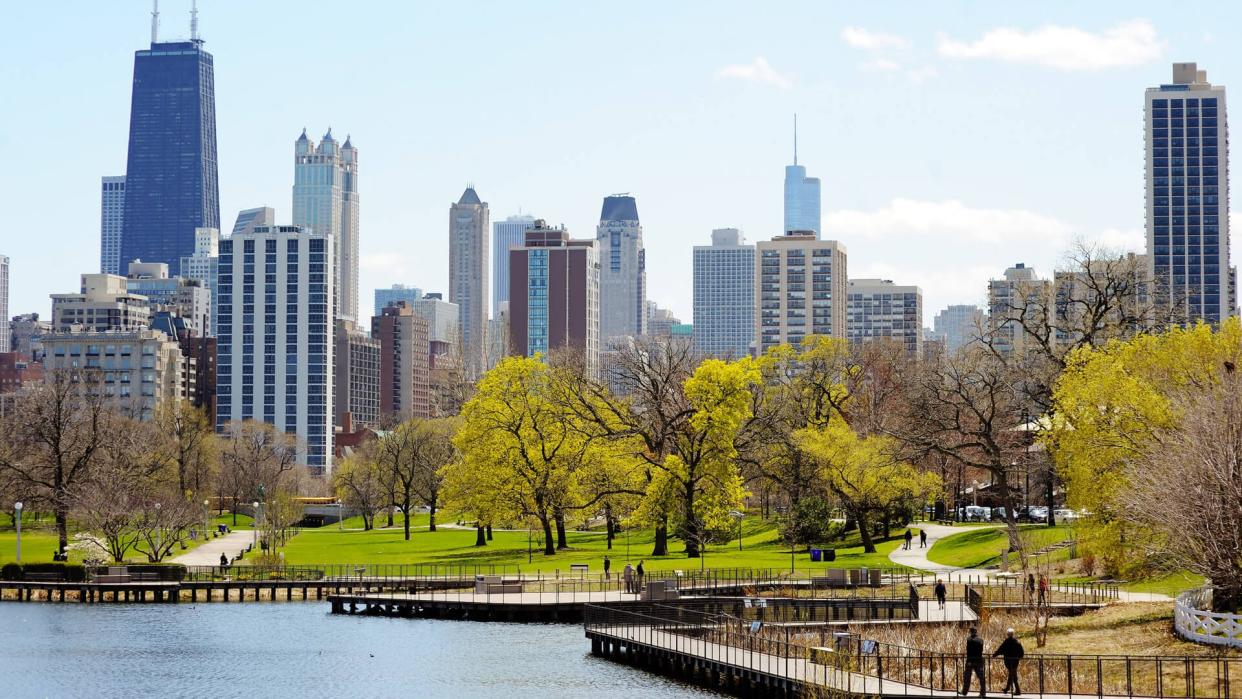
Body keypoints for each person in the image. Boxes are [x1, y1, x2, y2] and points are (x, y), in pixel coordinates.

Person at [994, 628, 1025, 695]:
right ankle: (1010, 689)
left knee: (1012, 674)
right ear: (1013, 634)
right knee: (1013, 674)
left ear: (1007, 635)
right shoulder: (1017, 642)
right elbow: (1022, 653)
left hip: (1007, 661)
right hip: (1015, 661)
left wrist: (994, 655)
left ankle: (1014, 690)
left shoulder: (1006, 642)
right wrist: (1018, 658)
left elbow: (1000, 650)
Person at [960, 627, 985, 697]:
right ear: (976, 632)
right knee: (981, 677)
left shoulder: (969, 639)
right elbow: (981, 650)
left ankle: (965, 691)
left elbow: (969, 651)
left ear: (971, 632)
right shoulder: (981, 640)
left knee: (967, 676)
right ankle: (983, 692)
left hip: (970, 661)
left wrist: (968, 660)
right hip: (979, 660)